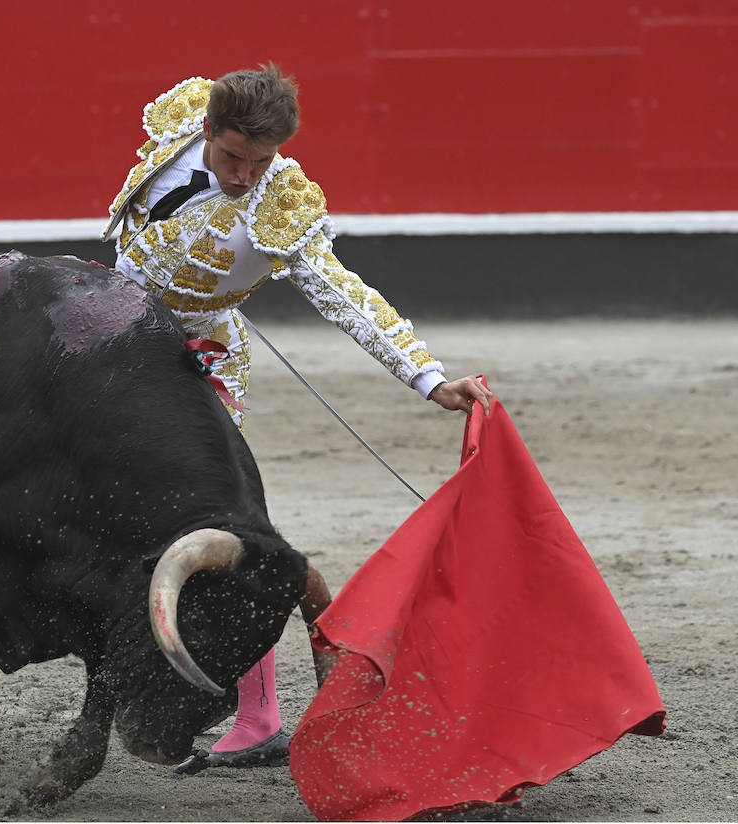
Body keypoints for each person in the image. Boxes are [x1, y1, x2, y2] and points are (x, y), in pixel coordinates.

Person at [101, 65, 491, 772]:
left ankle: (258, 719)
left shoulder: (282, 205)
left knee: (218, 525)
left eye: (261, 162)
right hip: (109, 334)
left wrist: (429, 378)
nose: (245, 177)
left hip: (200, 362)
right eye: (232, 158)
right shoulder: (180, 116)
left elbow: (347, 296)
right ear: (207, 129)